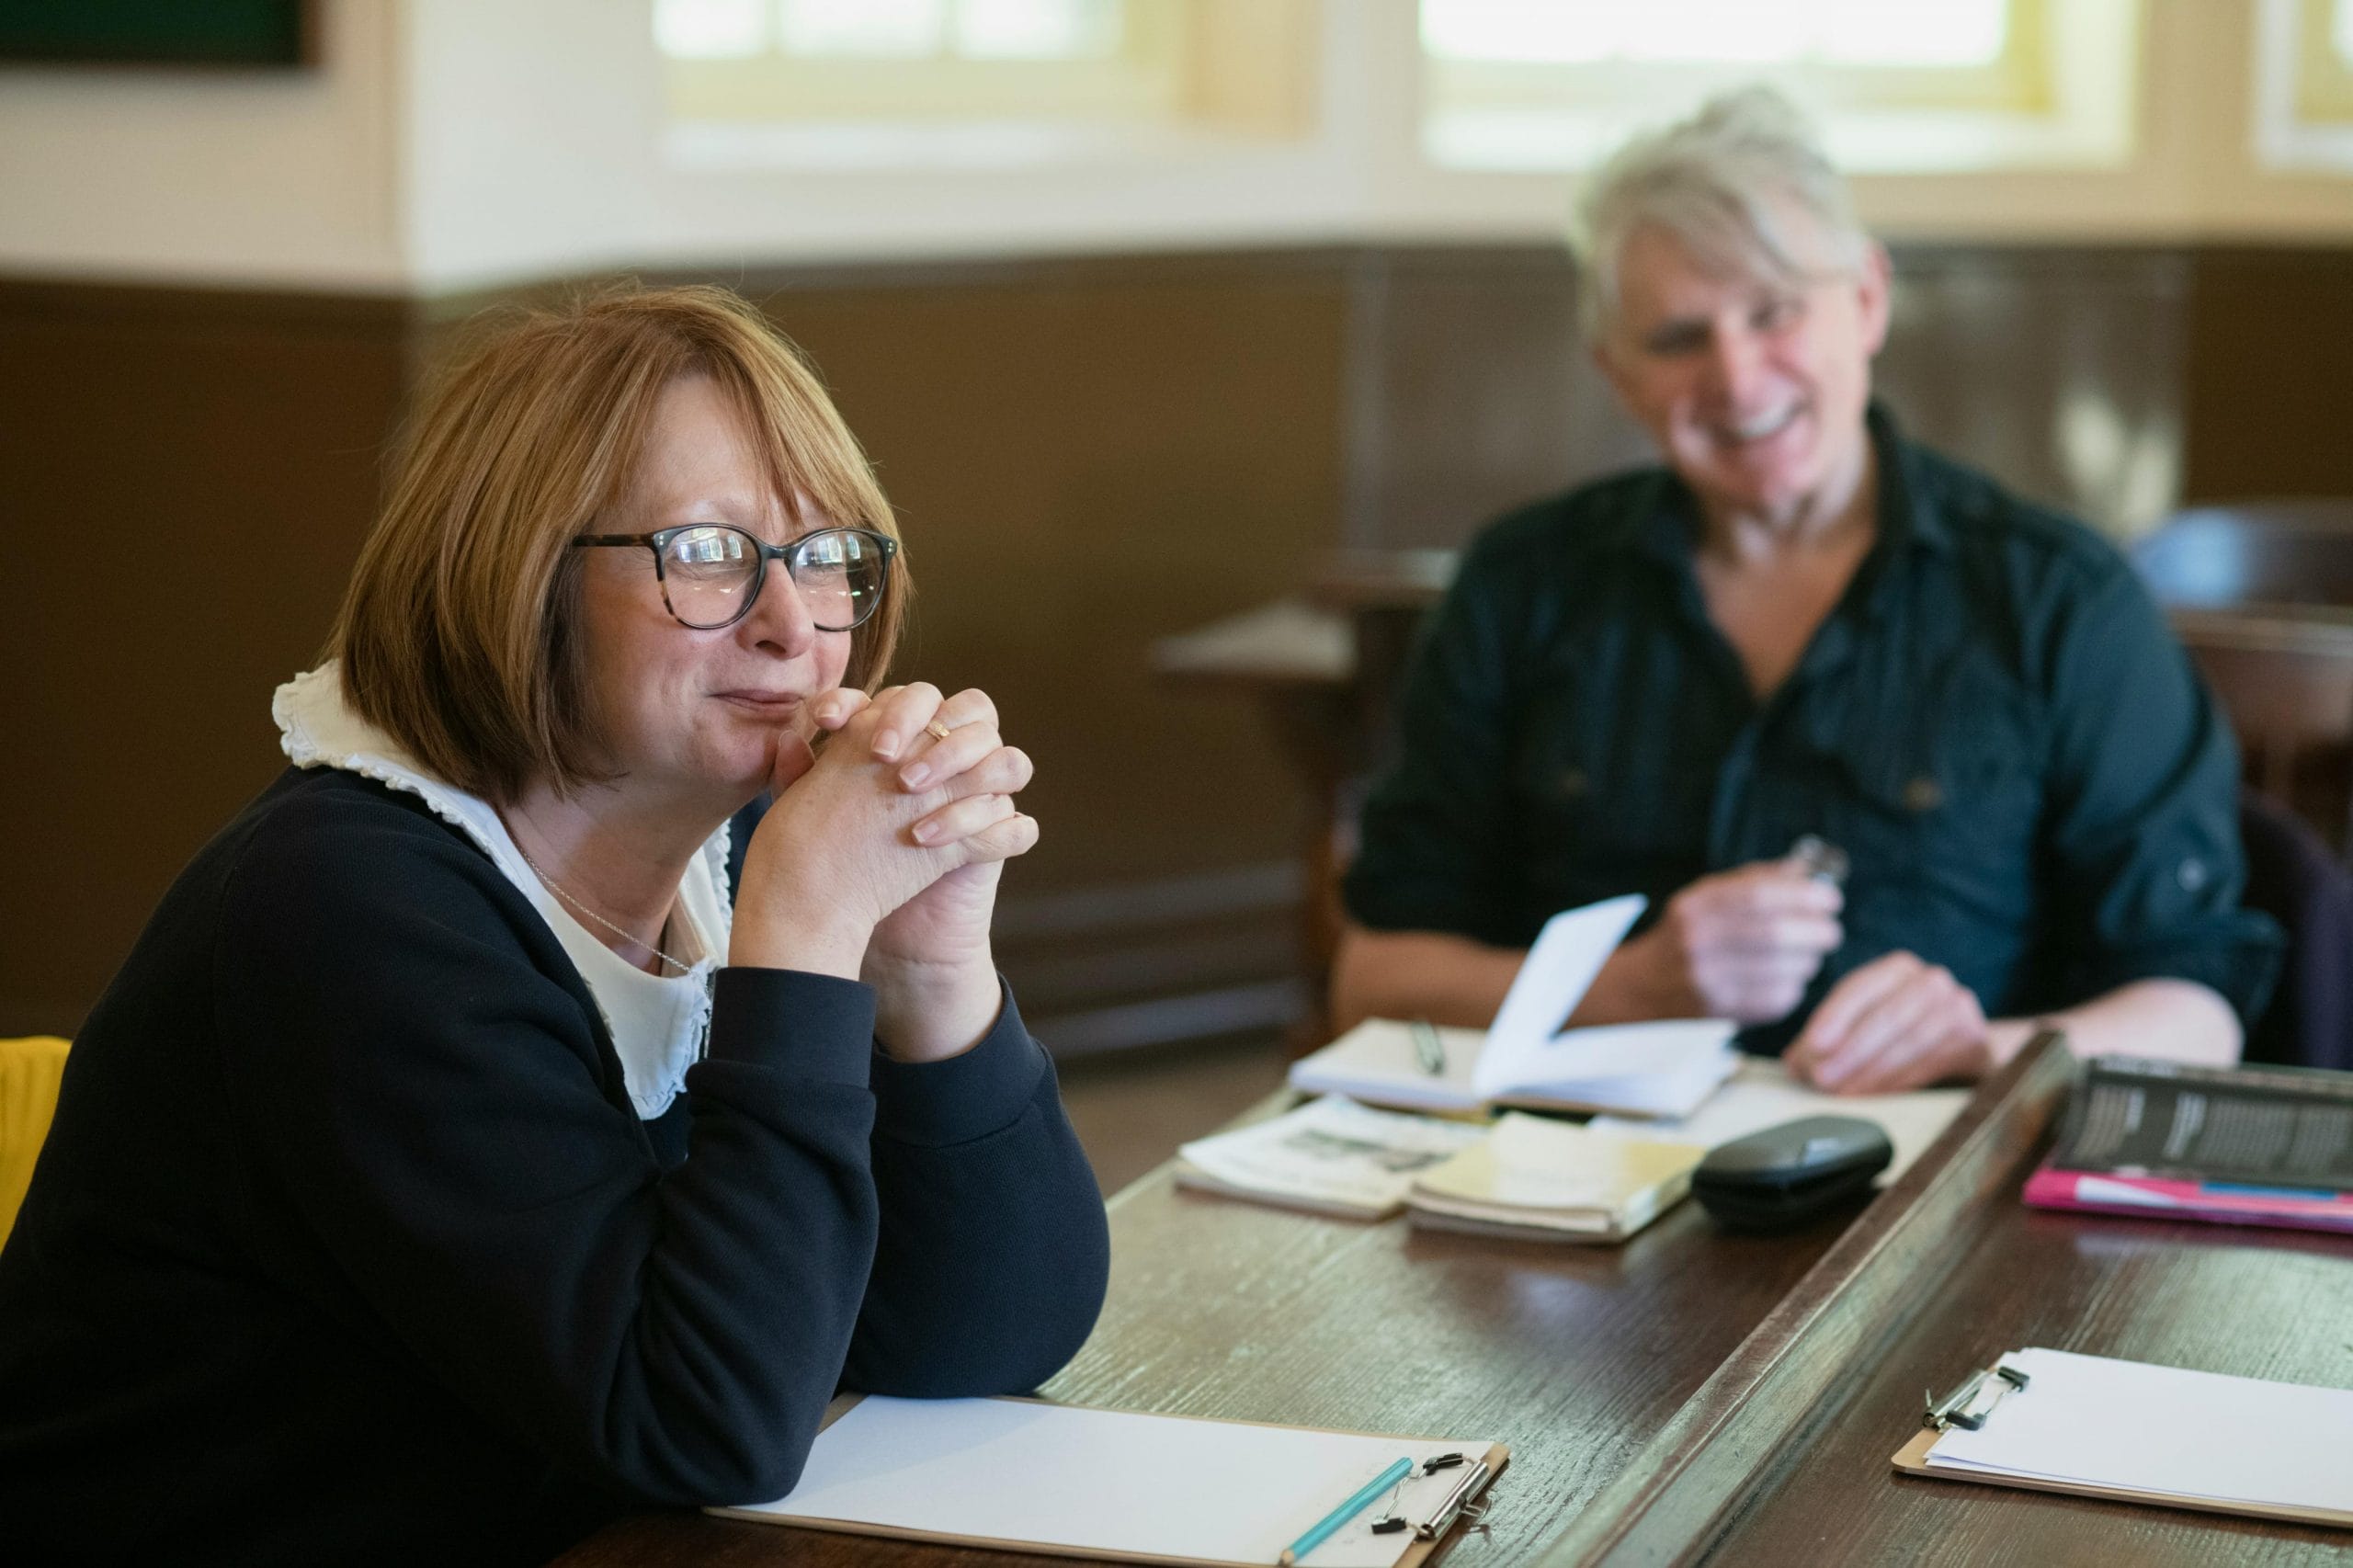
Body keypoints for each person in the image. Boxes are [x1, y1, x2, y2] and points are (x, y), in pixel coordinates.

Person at [0, 285, 1110, 1565]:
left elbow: (992, 1328)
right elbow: (701, 1421)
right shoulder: (341, 912)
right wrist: (802, 940)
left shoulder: (734, 849)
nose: (793, 624)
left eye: (823, 556)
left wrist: (929, 972)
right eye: (707, 551)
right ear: (524, 576)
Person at [1333, 88, 2279, 1093]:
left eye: (1774, 312)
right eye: (1677, 338)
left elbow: (2196, 1006)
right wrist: (1635, 984)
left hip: (1938, 1162)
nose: (1739, 380)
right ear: (1616, 372)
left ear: (1866, 300)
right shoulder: (1520, 584)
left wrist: (1984, 1049)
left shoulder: (2059, 599)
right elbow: (1374, 978)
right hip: (1566, 1166)